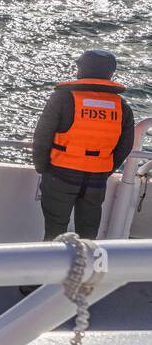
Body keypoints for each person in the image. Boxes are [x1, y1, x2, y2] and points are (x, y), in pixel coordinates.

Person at [31, 49, 134, 242]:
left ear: (82, 69)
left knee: (55, 230)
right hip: (96, 179)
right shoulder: (122, 106)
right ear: (110, 73)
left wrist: (42, 167)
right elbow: (125, 144)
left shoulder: (63, 98)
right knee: (88, 234)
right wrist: (104, 168)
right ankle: (85, 268)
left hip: (60, 174)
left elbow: (42, 136)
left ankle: (54, 269)